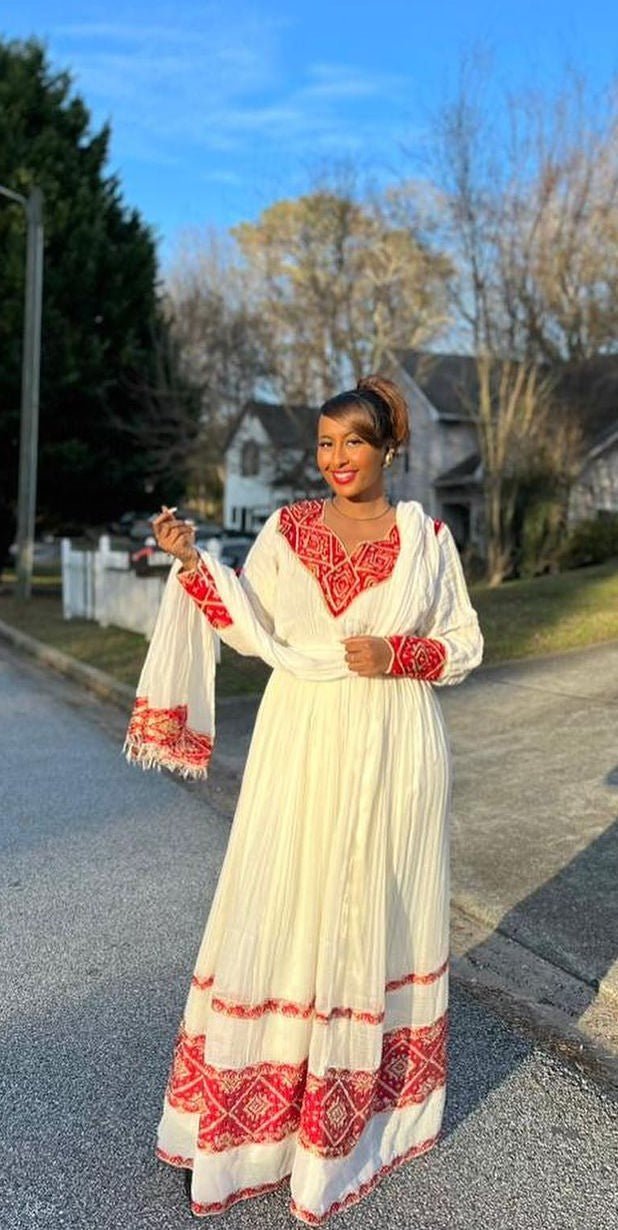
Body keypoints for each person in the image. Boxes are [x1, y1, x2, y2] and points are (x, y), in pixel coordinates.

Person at [125, 374, 484, 1224]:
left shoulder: (428, 538)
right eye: (323, 445)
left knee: (371, 914)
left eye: (351, 443)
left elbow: (465, 642)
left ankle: (360, 1121)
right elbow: (252, 625)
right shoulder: (286, 531)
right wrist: (191, 561)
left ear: (387, 448)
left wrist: (400, 654)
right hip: (299, 743)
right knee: (281, 906)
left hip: (396, 750)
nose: (335, 460)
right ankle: (251, 1131)